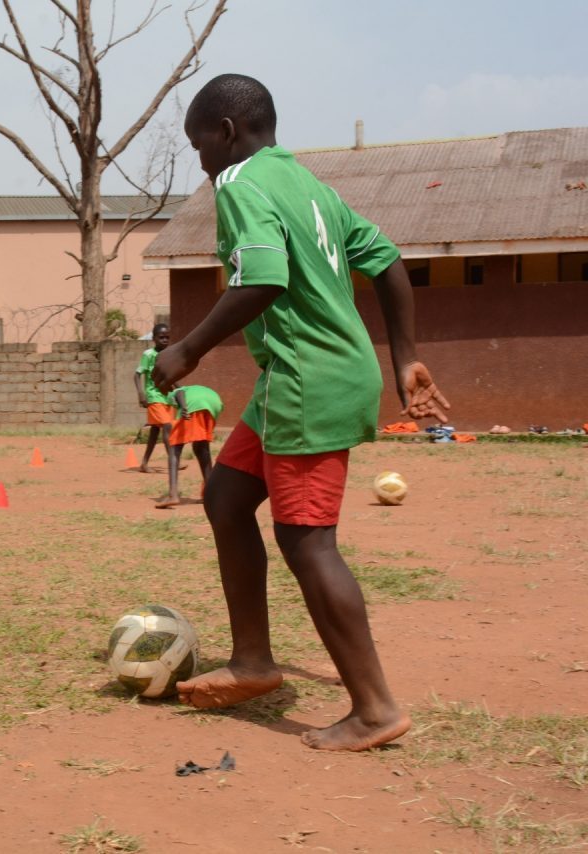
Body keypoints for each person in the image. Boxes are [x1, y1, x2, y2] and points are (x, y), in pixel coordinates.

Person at [151, 75, 450, 752]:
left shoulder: (240, 183)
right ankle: (254, 661)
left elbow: (262, 278)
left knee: (307, 542)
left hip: (307, 379)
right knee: (226, 497)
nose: (199, 160)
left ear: (226, 131)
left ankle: (375, 708)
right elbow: (386, 259)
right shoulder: (311, 185)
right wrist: (404, 357)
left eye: (199, 144)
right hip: (296, 375)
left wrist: (189, 349)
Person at [156, 385, 222, 509]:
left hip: (192, 406)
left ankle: (173, 494)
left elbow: (179, 393)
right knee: (202, 448)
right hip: (214, 403)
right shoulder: (194, 388)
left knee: (174, 448)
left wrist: (184, 407)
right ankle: (210, 495)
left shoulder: (174, 392)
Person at [133, 324, 174, 473]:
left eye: (167, 337)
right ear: (154, 338)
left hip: (167, 397)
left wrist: (178, 391)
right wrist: (141, 394)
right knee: (167, 425)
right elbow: (137, 374)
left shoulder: (170, 354)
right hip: (153, 395)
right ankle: (172, 462)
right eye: (161, 337)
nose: (164, 340)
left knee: (155, 430)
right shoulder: (148, 354)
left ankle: (144, 463)